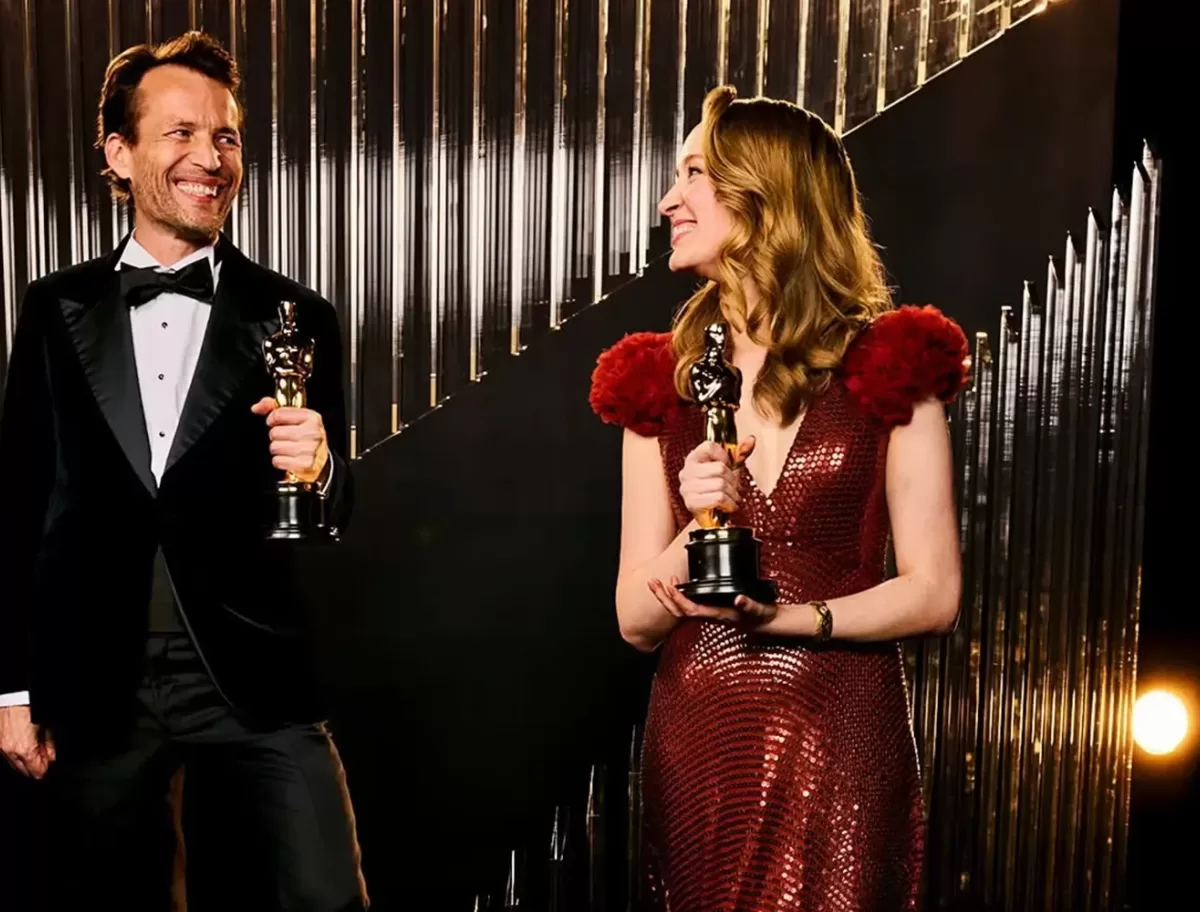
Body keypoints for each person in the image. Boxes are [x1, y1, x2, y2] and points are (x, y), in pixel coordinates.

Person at [0, 31, 366, 911]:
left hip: (253, 673)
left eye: (227, 136)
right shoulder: (55, 310)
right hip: (97, 676)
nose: (211, 157)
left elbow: (339, 505)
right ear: (119, 156)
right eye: (181, 134)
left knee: (326, 899)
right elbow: (17, 504)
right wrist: (12, 688)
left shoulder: (297, 314)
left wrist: (319, 468)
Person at [589, 86, 969, 910]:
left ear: (764, 194)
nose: (668, 199)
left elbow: (934, 593)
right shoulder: (658, 381)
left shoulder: (891, 363)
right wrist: (695, 532)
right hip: (703, 744)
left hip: (842, 735)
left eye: (695, 173)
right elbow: (632, 617)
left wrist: (789, 620)